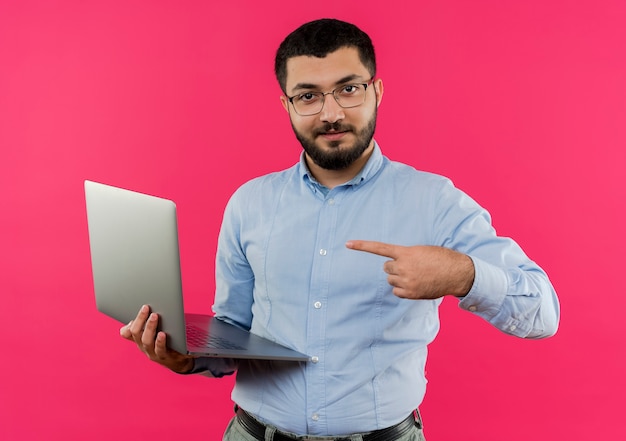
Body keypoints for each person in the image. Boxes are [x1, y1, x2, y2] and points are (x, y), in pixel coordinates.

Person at [121, 18, 560, 441]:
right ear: (287, 105)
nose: (331, 113)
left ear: (377, 91)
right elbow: (233, 329)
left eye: (348, 89)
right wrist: (186, 357)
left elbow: (544, 313)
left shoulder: (435, 201)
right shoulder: (249, 203)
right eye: (308, 96)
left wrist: (463, 275)